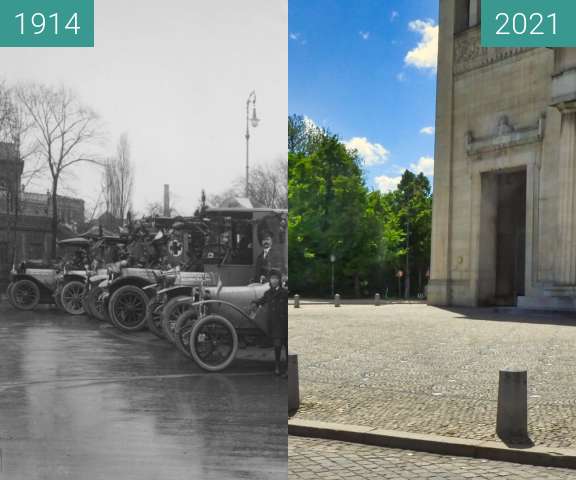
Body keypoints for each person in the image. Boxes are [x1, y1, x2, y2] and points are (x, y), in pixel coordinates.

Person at [252, 269, 288, 376]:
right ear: (270, 280)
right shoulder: (268, 293)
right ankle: (277, 366)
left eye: (276, 279)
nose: (274, 281)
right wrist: (254, 302)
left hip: (284, 323)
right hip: (274, 323)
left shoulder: (284, 293)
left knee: (286, 346)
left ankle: (287, 369)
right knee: (277, 345)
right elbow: (262, 301)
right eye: (272, 279)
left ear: (279, 280)